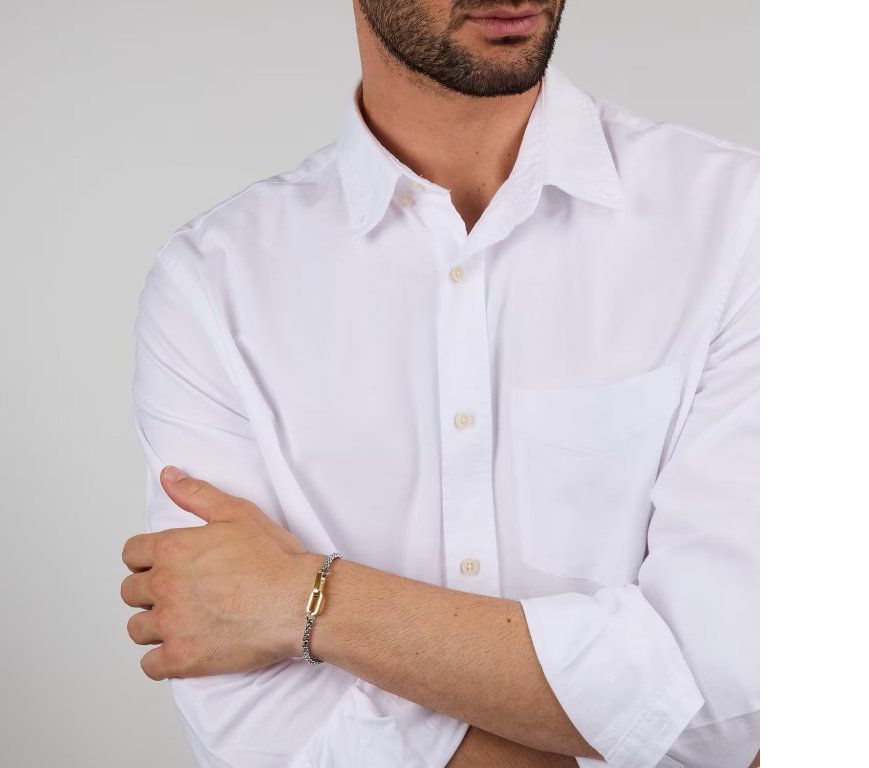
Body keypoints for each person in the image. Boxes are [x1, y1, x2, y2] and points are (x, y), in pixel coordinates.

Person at [119, 1, 760, 766]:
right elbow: (262, 732)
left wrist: (308, 601)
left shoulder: (745, 224)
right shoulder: (214, 284)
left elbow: (731, 700)